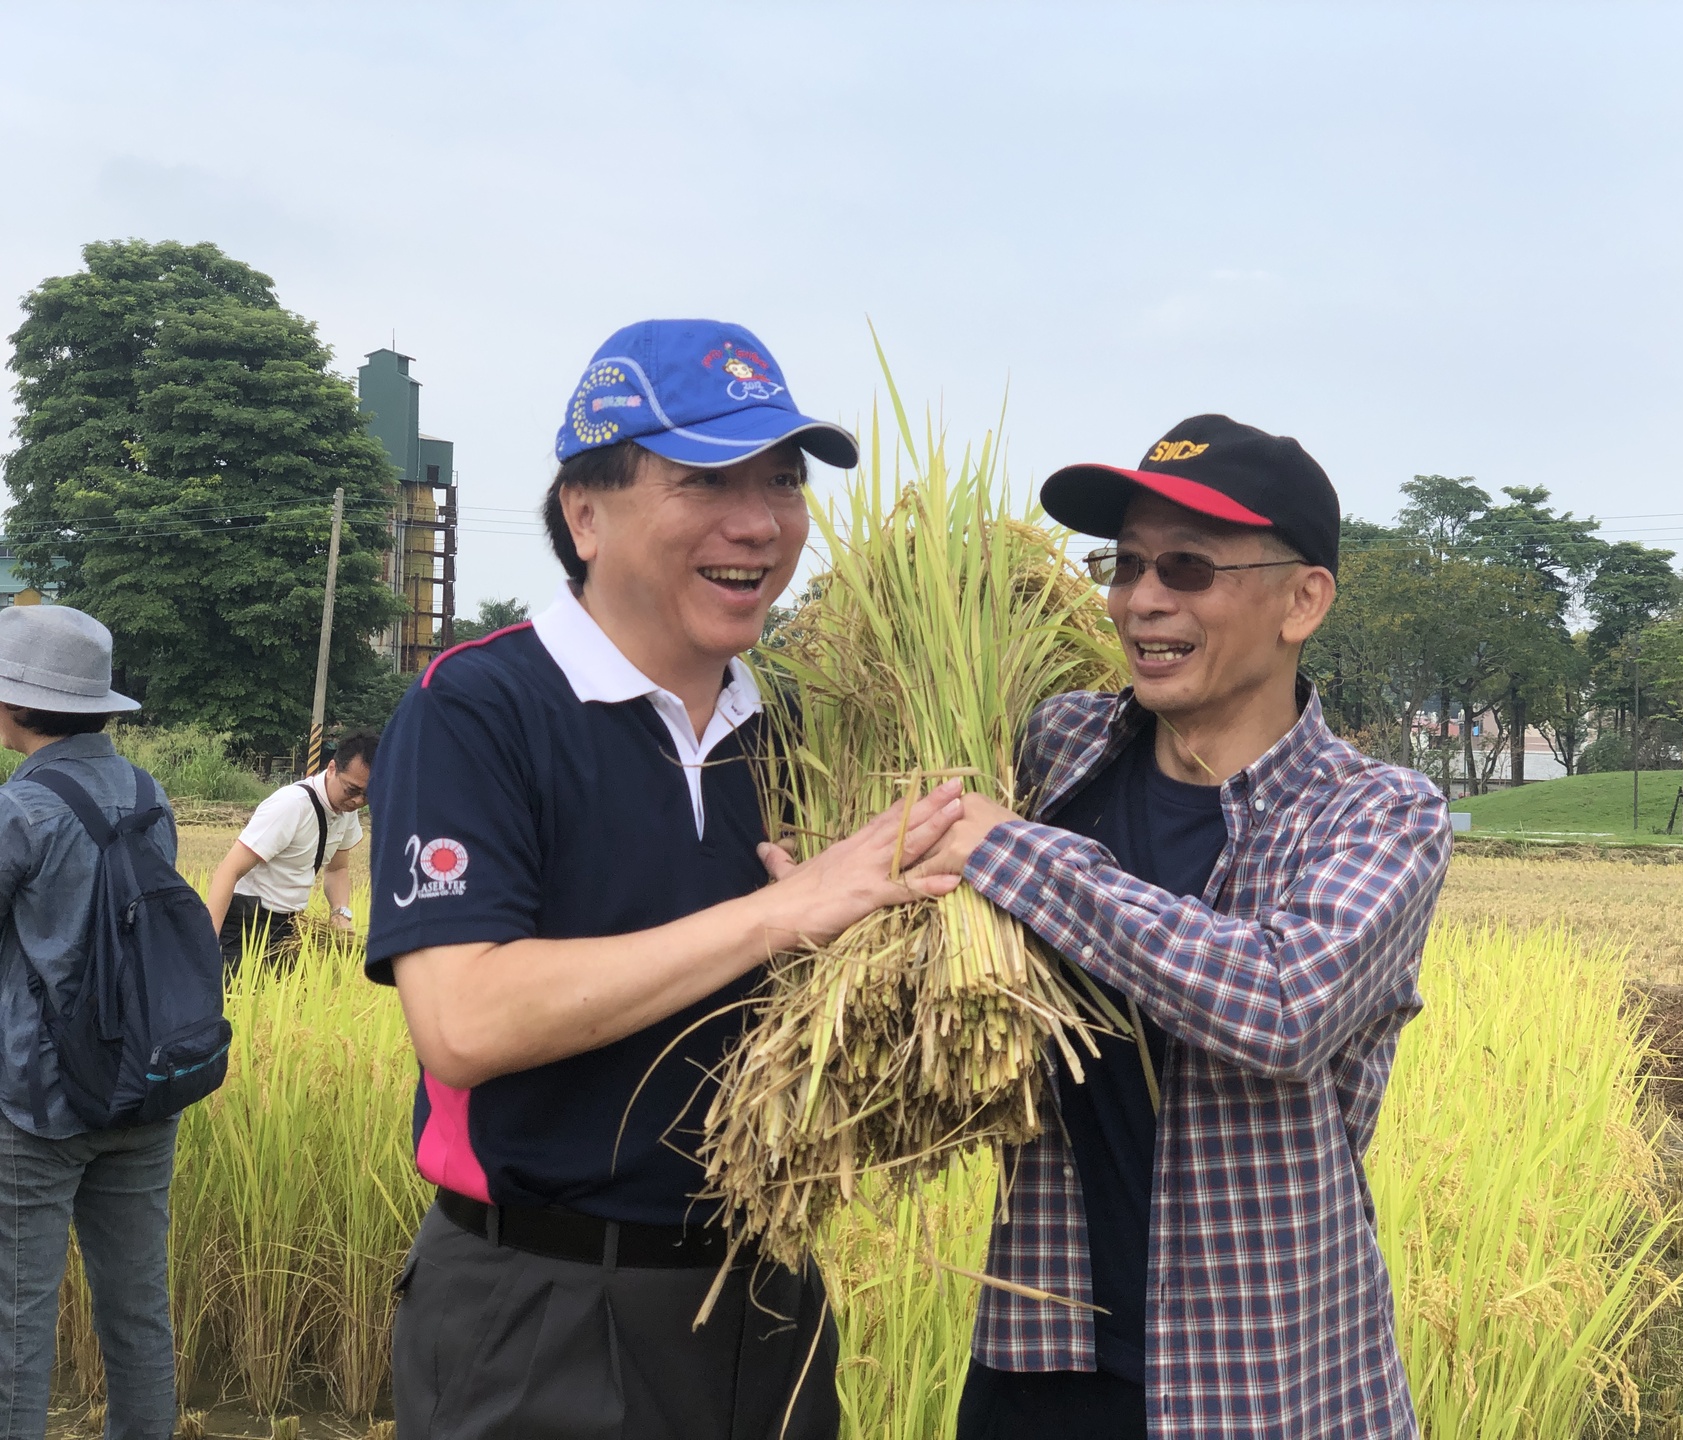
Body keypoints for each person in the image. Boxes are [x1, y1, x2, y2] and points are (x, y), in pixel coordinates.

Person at [366, 319, 966, 1440]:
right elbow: (463, 1019)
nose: (759, 522)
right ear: (584, 514)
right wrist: (781, 912)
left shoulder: (797, 731)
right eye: (703, 479)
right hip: (538, 1307)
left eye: (783, 482)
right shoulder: (478, 711)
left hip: (766, 1294)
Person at [911, 416, 1453, 1439]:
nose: (1142, 600)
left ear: (1304, 600)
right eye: (1127, 566)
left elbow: (1283, 1003)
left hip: (1266, 1382)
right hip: (1043, 1355)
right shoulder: (1056, 751)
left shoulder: (1380, 812)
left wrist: (1009, 851)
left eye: (1191, 569)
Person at [0, 606, 179, 1440]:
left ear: (16, 707)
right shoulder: (151, 794)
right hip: (143, 1087)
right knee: (139, 1314)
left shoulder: (22, 809)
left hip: (36, 1104)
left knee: (17, 1322)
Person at [205, 729, 377, 965]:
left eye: (368, 795)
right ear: (332, 769)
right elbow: (229, 870)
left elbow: (338, 869)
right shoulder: (291, 806)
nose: (358, 801)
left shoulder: (346, 811)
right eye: (352, 790)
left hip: (289, 927)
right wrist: (206, 944)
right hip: (245, 924)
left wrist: (340, 912)